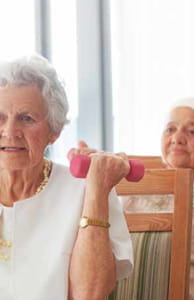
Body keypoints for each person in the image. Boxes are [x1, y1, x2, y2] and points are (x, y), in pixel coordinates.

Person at [77, 97, 194, 299]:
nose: (177, 138)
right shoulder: (137, 181)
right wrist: (95, 182)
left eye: (191, 131)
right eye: (170, 129)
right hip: (133, 290)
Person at [0, 55, 133, 299]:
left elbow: (90, 293)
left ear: (55, 130)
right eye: (0, 117)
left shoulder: (87, 189)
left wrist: (96, 191)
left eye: (26, 118)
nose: (10, 132)